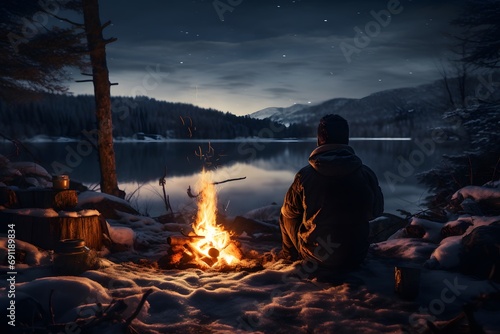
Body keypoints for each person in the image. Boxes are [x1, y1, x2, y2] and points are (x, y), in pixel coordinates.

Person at [279, 114, 384, 272]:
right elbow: (376, 212)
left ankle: (290, 257)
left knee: (286, 214)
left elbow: (289, 212)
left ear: (319, 139)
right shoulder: (366, 173)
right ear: (346, 139)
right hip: (356, 256)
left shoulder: (304, 176)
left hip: (317, 258)